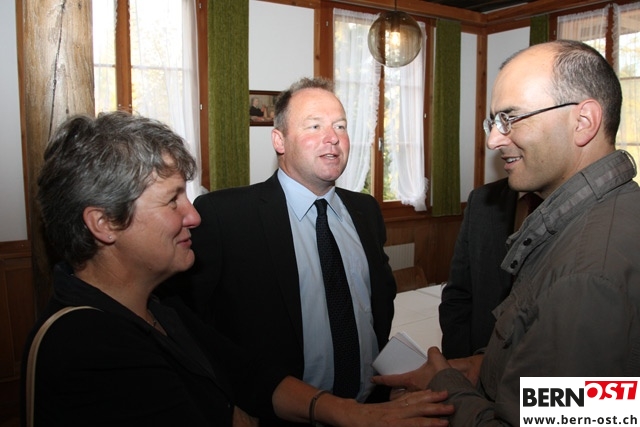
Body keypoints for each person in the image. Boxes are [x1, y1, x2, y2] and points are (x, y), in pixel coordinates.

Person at [20, 111, 454, 426]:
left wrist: (353, 414)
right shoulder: (85, 347)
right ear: (104, 224)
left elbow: (249, 373)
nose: (193, 216)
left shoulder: (159, 308)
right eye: (172, 200)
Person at [373, 39, 640, 425]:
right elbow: (601, 405)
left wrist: (445, 383)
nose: (493, 140)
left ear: (583, 121)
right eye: (494, 122)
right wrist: (487, 366)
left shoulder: (586, 275)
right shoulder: (608, 216)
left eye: (511, 118)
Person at [179, 77, 398, 426]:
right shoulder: (226, 217)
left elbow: (380, 301)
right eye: (315, 126)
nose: (333, 137)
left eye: (340, 126)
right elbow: (192, 328)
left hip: (372, 406)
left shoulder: (365, 211)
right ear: (279, 140)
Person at [439, 179, 542, 359]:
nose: (492, 148)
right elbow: (458, 294)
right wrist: (461, 363)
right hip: (479, 356)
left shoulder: (590, 212)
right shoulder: (482, 200)